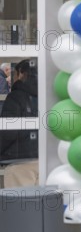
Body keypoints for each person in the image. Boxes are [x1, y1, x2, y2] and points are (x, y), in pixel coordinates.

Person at [0, 59, 38, 187]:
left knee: (20, 205)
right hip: (43, 159)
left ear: (21, 73)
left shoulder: (15, 97)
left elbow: (8, 131)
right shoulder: (46, 95)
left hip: (19, 161)